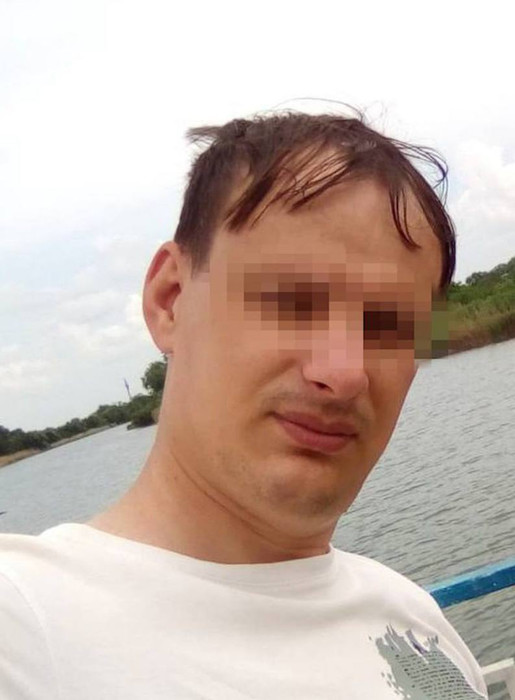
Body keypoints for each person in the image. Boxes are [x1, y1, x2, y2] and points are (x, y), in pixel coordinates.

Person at [0, 111, 488, 699]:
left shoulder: (415, 621)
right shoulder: (26, 626)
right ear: (170, 299)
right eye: (293, 300)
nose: (342, 373)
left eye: (391, 323)